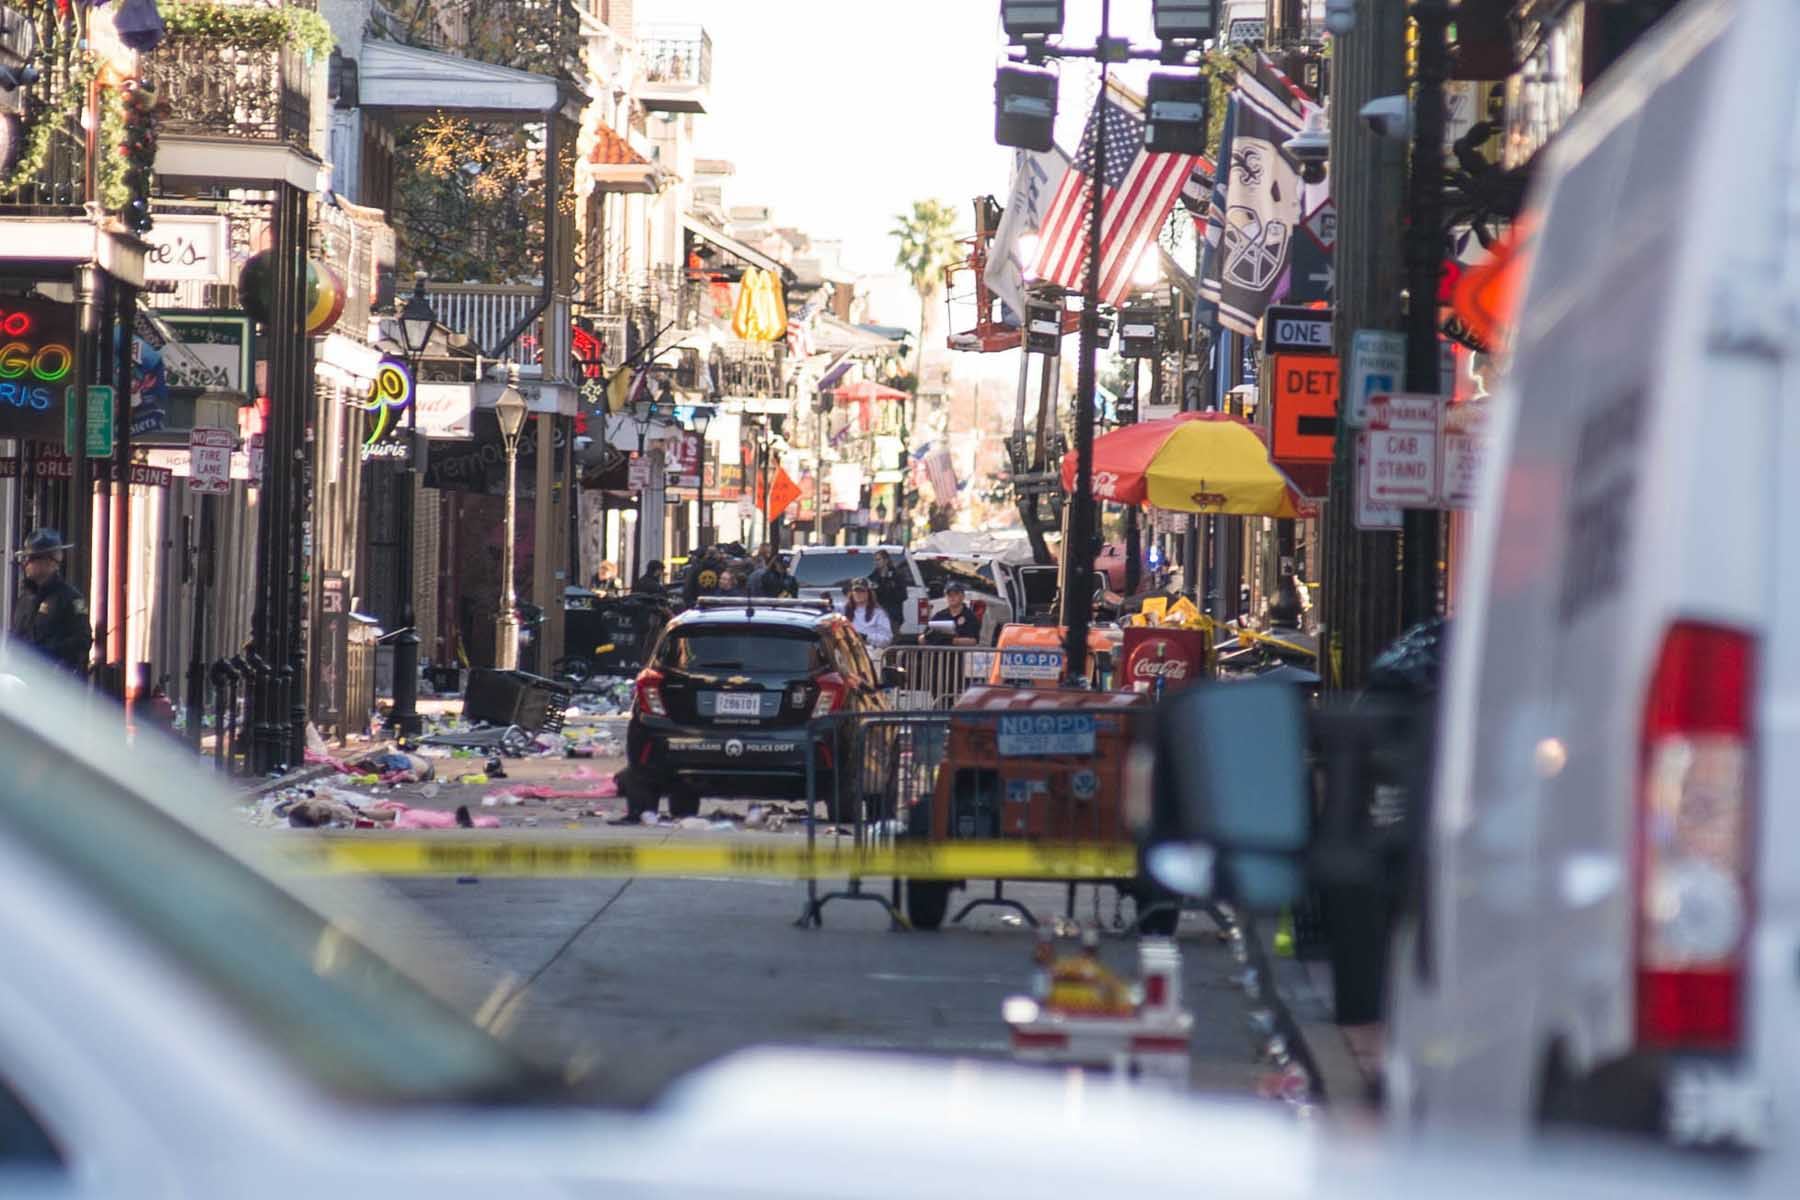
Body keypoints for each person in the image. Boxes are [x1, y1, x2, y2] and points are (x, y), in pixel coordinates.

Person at [10, 529, 92, 676]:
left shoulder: (70, 599)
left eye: (30, 558)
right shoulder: (25, 599)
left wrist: (45, 654)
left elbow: (82, 641)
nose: (25, 564)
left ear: (49, 561)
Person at [927, 581, 982, 645]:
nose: (952, 597)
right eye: (949, 594)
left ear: (963, 596)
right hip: (940, 654)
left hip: (960, 654)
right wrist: (928, 637)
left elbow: (974, 641)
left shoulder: (970, 616)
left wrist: (952, 641)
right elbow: (922, 638)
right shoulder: (940, 615)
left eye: (956, 594)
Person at [842, 579, 893, 649]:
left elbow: (887, 639)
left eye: (862, 591)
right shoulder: (843, 609)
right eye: (856, 591)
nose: (858, 594)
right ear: (852, 593)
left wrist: (865, 637)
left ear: (869, 593)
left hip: (871, 653)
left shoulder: (879, 613)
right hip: (849, 652)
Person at [870, 548, 908, 634]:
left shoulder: (896, 575)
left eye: (878, 559)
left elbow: (903, 595)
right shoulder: (873, 576)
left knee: (892, 640)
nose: (876, 562)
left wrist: (890, 586)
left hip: (893, 616)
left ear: (886, 560)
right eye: (875, 560)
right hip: (877, 615)